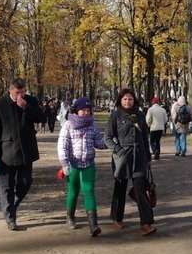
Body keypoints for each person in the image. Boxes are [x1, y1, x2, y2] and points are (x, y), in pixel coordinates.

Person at [0, 77, 46, 231]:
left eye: (23, 92)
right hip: (6, 151)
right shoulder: (0, 104)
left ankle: (12, 206)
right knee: (7, 186)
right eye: (17, 93)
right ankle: (10, 218)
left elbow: (41, 118)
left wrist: (26, 107)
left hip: (26, 150)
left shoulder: (30, 101)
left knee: (26, 182)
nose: (20, 95)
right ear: (10, 91)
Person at [104, 88, 156, 235]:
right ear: (120, 100)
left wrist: (147, 156)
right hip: (122, 157)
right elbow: (107, 138)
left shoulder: (140, 115)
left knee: (140, 188)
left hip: (139, 156)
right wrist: (118, 150)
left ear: (134, 100)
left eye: (130, 99)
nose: (128, 101)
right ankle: (116, 217)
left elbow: (144, 137)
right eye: (125, 99)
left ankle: (146, 223)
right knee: (120, 188)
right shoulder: (115, 115)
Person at [57, 97, 107, 237]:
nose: (86, 112)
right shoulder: (68, 125)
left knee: (89, 191)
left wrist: (110, 141)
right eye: (82, 110)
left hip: (88, 164)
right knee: (73, 191)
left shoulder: (92, 125)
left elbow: (99, 142)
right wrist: (64, 163)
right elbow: (62, 145)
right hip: (72, 164)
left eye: (88, 110)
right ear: (76, 111)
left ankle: (93, 225)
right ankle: (70, 216)